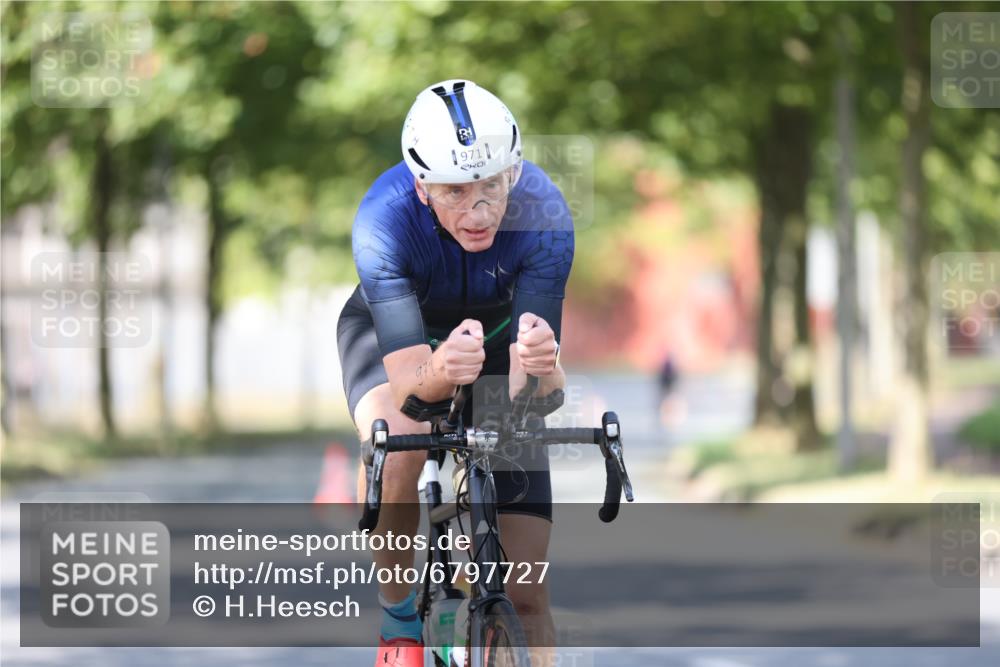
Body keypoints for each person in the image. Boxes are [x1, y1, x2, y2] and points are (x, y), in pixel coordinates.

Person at [336, 79, 573, 667]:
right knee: (401, 448)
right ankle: (397, 619)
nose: (479, 210)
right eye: (456, 191)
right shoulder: (382, 221)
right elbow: (413, 390)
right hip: (395, 336)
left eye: (492, 185)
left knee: (526, 594)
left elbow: (535, 396)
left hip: (494, 340)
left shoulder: (544, 214)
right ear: (422, 187)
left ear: (513, 173)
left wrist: (543, 370)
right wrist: (439, 371)